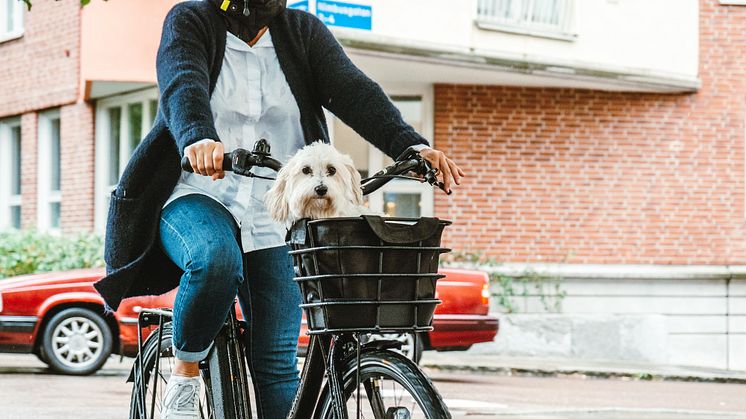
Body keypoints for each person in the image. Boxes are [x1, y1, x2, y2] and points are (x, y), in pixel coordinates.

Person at [94, 1, 464, 418]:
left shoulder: (300, 31)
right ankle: (184, 376)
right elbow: (183, 82)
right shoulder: (191, 19)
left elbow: (353, 90)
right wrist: (198, 136)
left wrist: (410, 146)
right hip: (198, 191)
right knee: (215, 258)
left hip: (274, 213)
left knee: (276, 363)